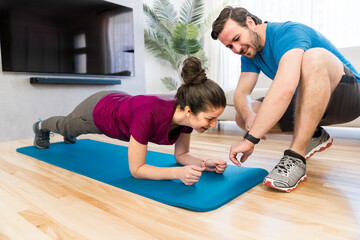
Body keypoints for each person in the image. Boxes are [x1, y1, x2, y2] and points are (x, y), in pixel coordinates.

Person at [211, 7, 360, 192]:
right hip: (312, 102)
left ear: (250, 23)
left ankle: (296, 157)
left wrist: (250, 139)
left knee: (312, 57)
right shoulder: (250, 51)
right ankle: (314, 135)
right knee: (242, 116)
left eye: (236, 39)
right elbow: (241, 94)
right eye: (229, 47)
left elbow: (286, 87)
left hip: (348, 96)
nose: (237, 49)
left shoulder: (288, 33)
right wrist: (249, 115)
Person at [33, 57, 228, 186]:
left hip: (122, 101)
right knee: (67, 127)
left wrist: (205, 162)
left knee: (72, 133)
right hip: (98, 110)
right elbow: (137, 170)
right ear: (188, 111)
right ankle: (41, 126)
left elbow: (182, 155)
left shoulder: (187, 116)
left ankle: (69, 136)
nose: (212, 124)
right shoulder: (149, 114)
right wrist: (177, 174)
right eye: (210, 119)